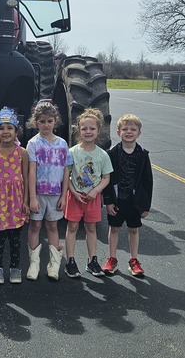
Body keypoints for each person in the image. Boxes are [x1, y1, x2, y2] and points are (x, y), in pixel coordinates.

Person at [25, 101, 72, 281]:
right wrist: (32, 198)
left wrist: (64, 196)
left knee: (52, 226)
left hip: (55, 194)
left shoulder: (62, 144)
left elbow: (66, 170)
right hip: (38, 193)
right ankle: (34, 264)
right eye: (42, 121)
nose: (46, 125)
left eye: (49, 121)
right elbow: (31, 171)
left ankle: (54, 265)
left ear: (56, 121)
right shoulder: (33, 143)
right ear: (36, 122)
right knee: (35, 225)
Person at [102, 114, 154, 278]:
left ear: (139, 133)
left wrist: (145, 205)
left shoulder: (143, 155)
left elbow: (148, 182)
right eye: (125, 129)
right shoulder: (112, 154)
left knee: (133, 229)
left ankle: (134, 260)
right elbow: (108, 180)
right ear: (118, 132)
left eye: (133, 129)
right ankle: (112, 259)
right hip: (118, 200)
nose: (129, 132)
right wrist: (108, 202)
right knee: (114, 228)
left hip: (134, 202)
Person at [64, 108, 112, 278]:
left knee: (91, 229)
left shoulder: (103, 155)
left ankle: (92, 261)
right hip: (75, 197)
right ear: (78, 130)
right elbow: (66, 177)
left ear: (98, 131)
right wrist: (73, 192)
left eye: (92, 129)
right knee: (72, 227)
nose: (88, 132)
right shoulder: (72, 152)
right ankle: (70, 261)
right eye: (84, 128)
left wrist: (96, 191)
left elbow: (106, 178)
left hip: (93, 197)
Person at [0, 107, 29, 284]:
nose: (5, 132)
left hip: (16, 201)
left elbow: (25, 178)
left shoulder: (22, 153)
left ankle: (15, 268)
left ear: (16, 131)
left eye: (9, 128)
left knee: (16, 238)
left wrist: (26, 201)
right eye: (1, 128)